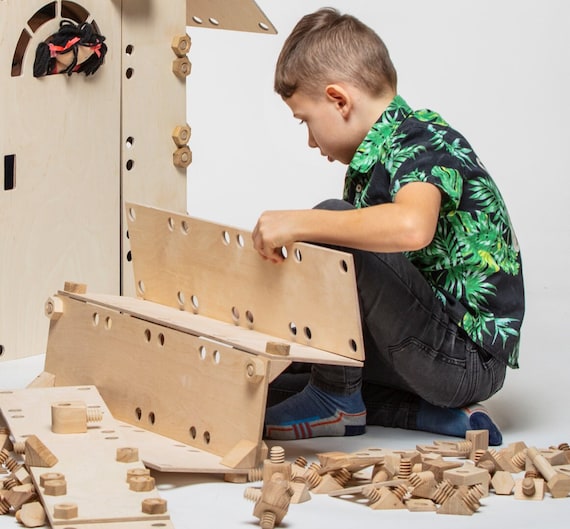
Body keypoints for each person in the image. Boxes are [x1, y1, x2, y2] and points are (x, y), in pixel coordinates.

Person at [252, 8, 524, 445]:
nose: (309, 139)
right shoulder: (372, 161)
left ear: (339, 100)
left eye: (305, 121)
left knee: (332, 218)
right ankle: (443, 418)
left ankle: (335, 398)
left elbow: (413, 226)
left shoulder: (420, 139)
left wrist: (302, 221)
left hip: (464, 359)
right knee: (270, 381)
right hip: (426, 352)